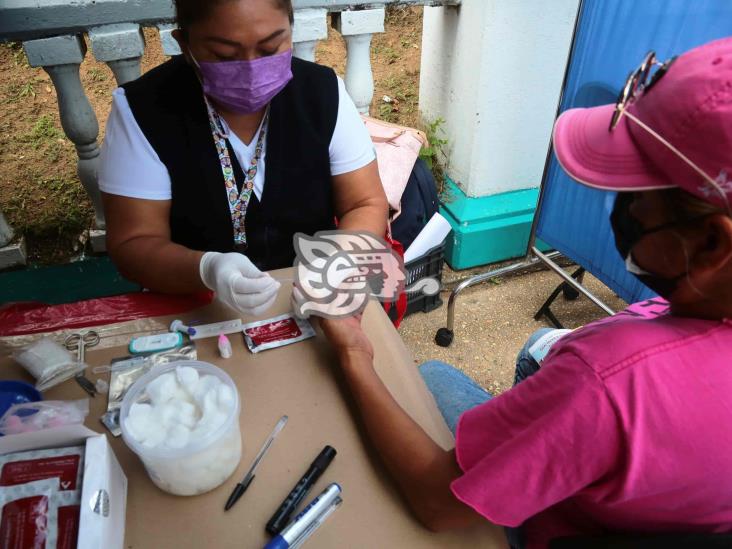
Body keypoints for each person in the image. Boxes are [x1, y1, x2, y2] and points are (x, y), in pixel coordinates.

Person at [313, 38, 732, 548]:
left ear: (713, 243)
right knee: (540, 349)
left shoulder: (602, 381)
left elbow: (436, 501)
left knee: (430, 375)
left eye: (635, 194)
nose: (619, 208)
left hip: (551, 527)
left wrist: (354, 355)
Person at [99, 0, 388, 317]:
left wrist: (337, 265)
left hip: (312, 301)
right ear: (185, 44)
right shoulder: (143, 112)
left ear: (290, 32)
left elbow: (365, 202)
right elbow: (134, 243)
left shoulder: (322, 94)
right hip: (199, 309)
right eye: (225, 55)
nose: (251, 69)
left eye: (270, 47)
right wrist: (207, 269)